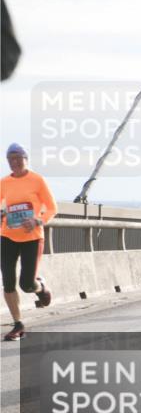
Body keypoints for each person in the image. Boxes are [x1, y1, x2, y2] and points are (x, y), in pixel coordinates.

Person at [1, 144, 57, 341]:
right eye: (10, 159)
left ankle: (40, 287)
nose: (14, 162)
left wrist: (37, 220)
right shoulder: (4, 182)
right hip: (7, 236)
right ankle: (18, 325)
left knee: (26, 284)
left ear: (26, 158)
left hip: (32, 237)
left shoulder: (37, 180)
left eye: (18, 158)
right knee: (7, 282)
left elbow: (52, 208)